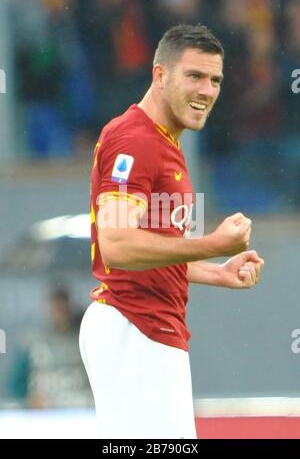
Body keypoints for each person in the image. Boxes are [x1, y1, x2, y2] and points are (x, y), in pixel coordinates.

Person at [79, 24, 264, 439]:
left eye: (215, 80)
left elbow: (161, 250)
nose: (207, 90)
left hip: (147, 327)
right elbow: (117, 244)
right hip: (134, 324)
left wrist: (217, 270)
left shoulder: (166, 144)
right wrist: (214, 242)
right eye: (194, 76)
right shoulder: (135, 139)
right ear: (159, 75)